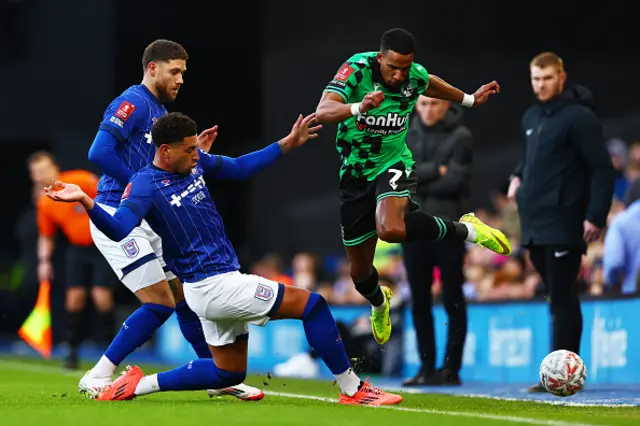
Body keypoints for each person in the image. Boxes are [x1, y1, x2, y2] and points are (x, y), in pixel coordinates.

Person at [46, 112, 402, 406]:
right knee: (313, 306)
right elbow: (121, 228)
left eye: (195, 148)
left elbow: (240, 167)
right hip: (215, 285)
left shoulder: (193, 163)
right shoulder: (144, 185)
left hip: (211, 287)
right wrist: (86, 201)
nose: (196, 154)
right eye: (188, 149)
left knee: (227, 373)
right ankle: (354, 390)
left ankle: (136, 386)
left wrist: (286, 143)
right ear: (165, 151)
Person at [79, 39, 261, 400]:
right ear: (153, 68)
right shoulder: (131, 103)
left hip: (148, 216)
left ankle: (217, 374)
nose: (180, 79)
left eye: (182, 73)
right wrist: (139, 186)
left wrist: (193, 154)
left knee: (183, 298)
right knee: (160, 302)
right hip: (120, 211)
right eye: (174, 71)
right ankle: (97, 374)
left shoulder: (160, 113)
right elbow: (98, 151)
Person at [315, 28, 511, 345]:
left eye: (405, 67)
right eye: (393, 67)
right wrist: (358, 108)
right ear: (380, 58)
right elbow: (323, 112)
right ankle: (380, 303)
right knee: (359, 273)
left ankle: (468, 230)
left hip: (394, 161)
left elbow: (428, 81)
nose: (400, 75)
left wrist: (470, 99)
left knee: (390, 229)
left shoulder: (412, 76)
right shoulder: (356, 70)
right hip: (356, 172)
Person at [507, 51, 615, 393]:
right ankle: (562, 371)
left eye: (547, 78)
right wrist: (517, 176)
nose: (541, 85)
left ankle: (564, 374)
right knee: (556, 295)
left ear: (561, 78)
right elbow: (531, 159)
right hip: (535, 222)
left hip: (565, 220)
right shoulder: (530, 117)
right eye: (536, 79)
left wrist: (596, 215)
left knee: (563, 295)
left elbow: (602, 168)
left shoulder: (579, 117)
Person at [401, 96, 472, 386]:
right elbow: (398, 177)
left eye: (434, 104)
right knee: (419, 299)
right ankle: (426, 367)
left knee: (452, 298)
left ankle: (450, 369)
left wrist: (419, 175)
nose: (428, 110)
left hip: (447, 227)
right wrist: (435, 171)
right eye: (424, 104)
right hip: (413, 227)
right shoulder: (406, 133)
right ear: (416, 106)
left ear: (446, 106)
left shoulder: (461, 136)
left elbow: (456, 181)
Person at [29, 151, 116, 369]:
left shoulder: (80, 180)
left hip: (103, 244)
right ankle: (71, 351)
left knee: (101, 297)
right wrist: (44, 262)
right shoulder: (44, 202)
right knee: (74, 298)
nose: (40, 175)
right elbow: (46, 236)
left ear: (54, 167)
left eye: (43, 169)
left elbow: (110, 198)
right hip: (77, 249)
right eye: (35, 172)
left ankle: (112, 352)